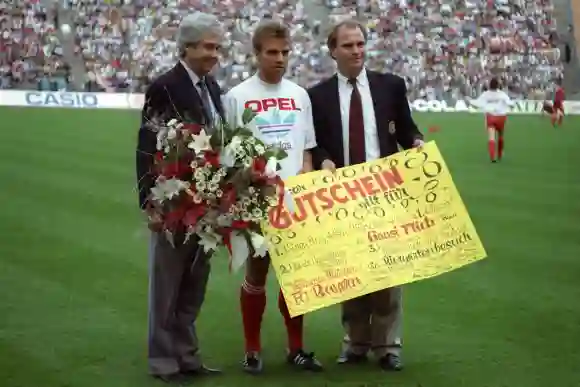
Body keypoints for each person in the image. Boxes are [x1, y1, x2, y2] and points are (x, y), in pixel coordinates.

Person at [307, 19, 424, 371]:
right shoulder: (318, 95)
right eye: (348, 45)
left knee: (389, 275)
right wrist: (325, 160)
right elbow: (318, 143)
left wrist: (416, 142)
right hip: (343, 197)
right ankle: (355, 343)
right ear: (333, 51)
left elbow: (406, 128)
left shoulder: (390, 86)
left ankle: (388, 346)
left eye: (360, 44)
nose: (357, 51)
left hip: (385, 191)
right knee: (351, 273)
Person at [223, 20, 323, 375]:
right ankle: (252, 349)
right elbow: (228, 156)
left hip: (296, 200)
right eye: (272, 52)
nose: (280, 59)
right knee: (257, 272)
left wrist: (306, 182)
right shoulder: (236, 97)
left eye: (285, 52)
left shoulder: (300, 95)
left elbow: (307, 149)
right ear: (256, 54)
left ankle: (296, 348)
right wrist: (249, 177)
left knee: (296, 277)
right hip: (257, 199)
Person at [136, 12, 225, 384]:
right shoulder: (165, 86)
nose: (214, 54)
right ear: (186, 47)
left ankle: (187, 353)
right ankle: (162, 358)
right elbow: (147, 144)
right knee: (167, 285)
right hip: (173, 202)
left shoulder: (213, 87)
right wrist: (149, 199)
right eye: (207, 46)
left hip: (208, 203)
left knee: (194, 282)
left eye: (218, 47)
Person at [469, 78, 513, 163]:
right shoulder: (502, 94)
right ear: (498, 85)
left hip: (491, 116)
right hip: (501, 117)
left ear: (489, 85)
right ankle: (500, 154)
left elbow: (477, 104)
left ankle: (492, 156)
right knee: (501, 135)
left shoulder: (485, 94)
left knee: (491, 137)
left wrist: (469, 101)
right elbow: (510, 103)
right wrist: (511, 106)